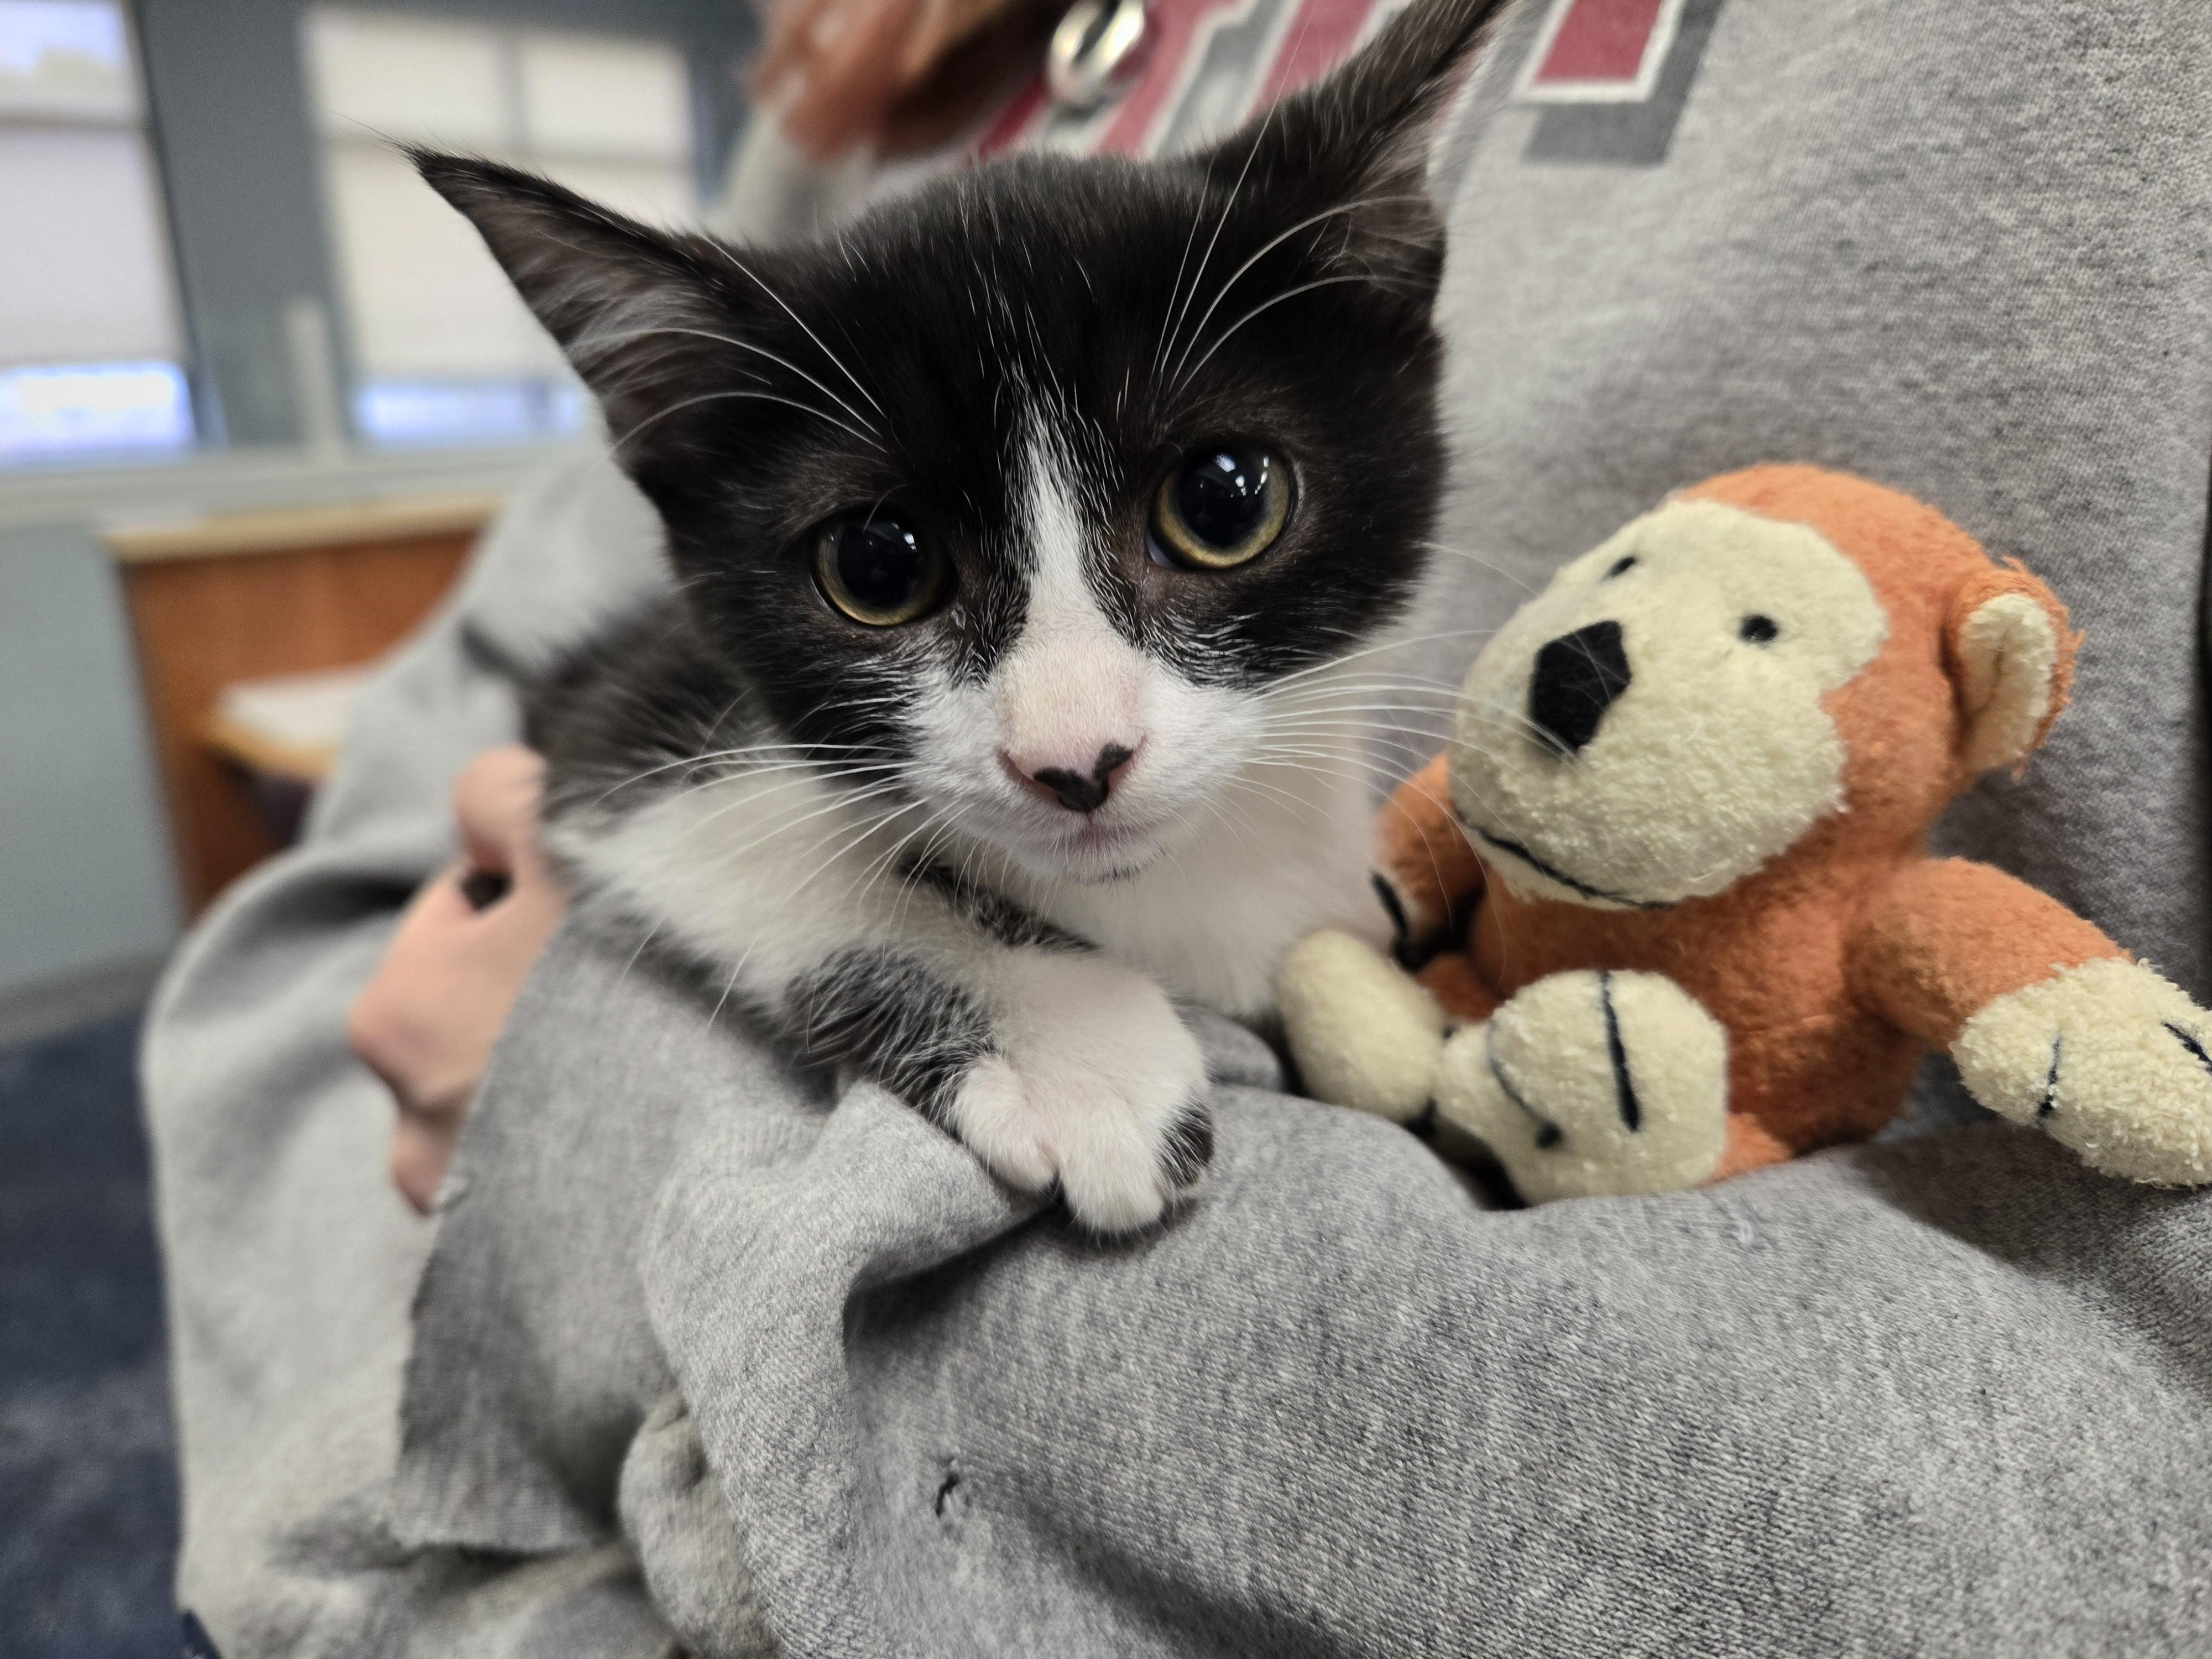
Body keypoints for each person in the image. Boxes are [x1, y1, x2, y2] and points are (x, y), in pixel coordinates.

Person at [150, 1, 2212, 1653]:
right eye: (884, 570)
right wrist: (943, 992)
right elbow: (514, 805)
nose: (1072, 739)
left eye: (1217, 509)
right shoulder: (873, 80)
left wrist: (596, 1134)